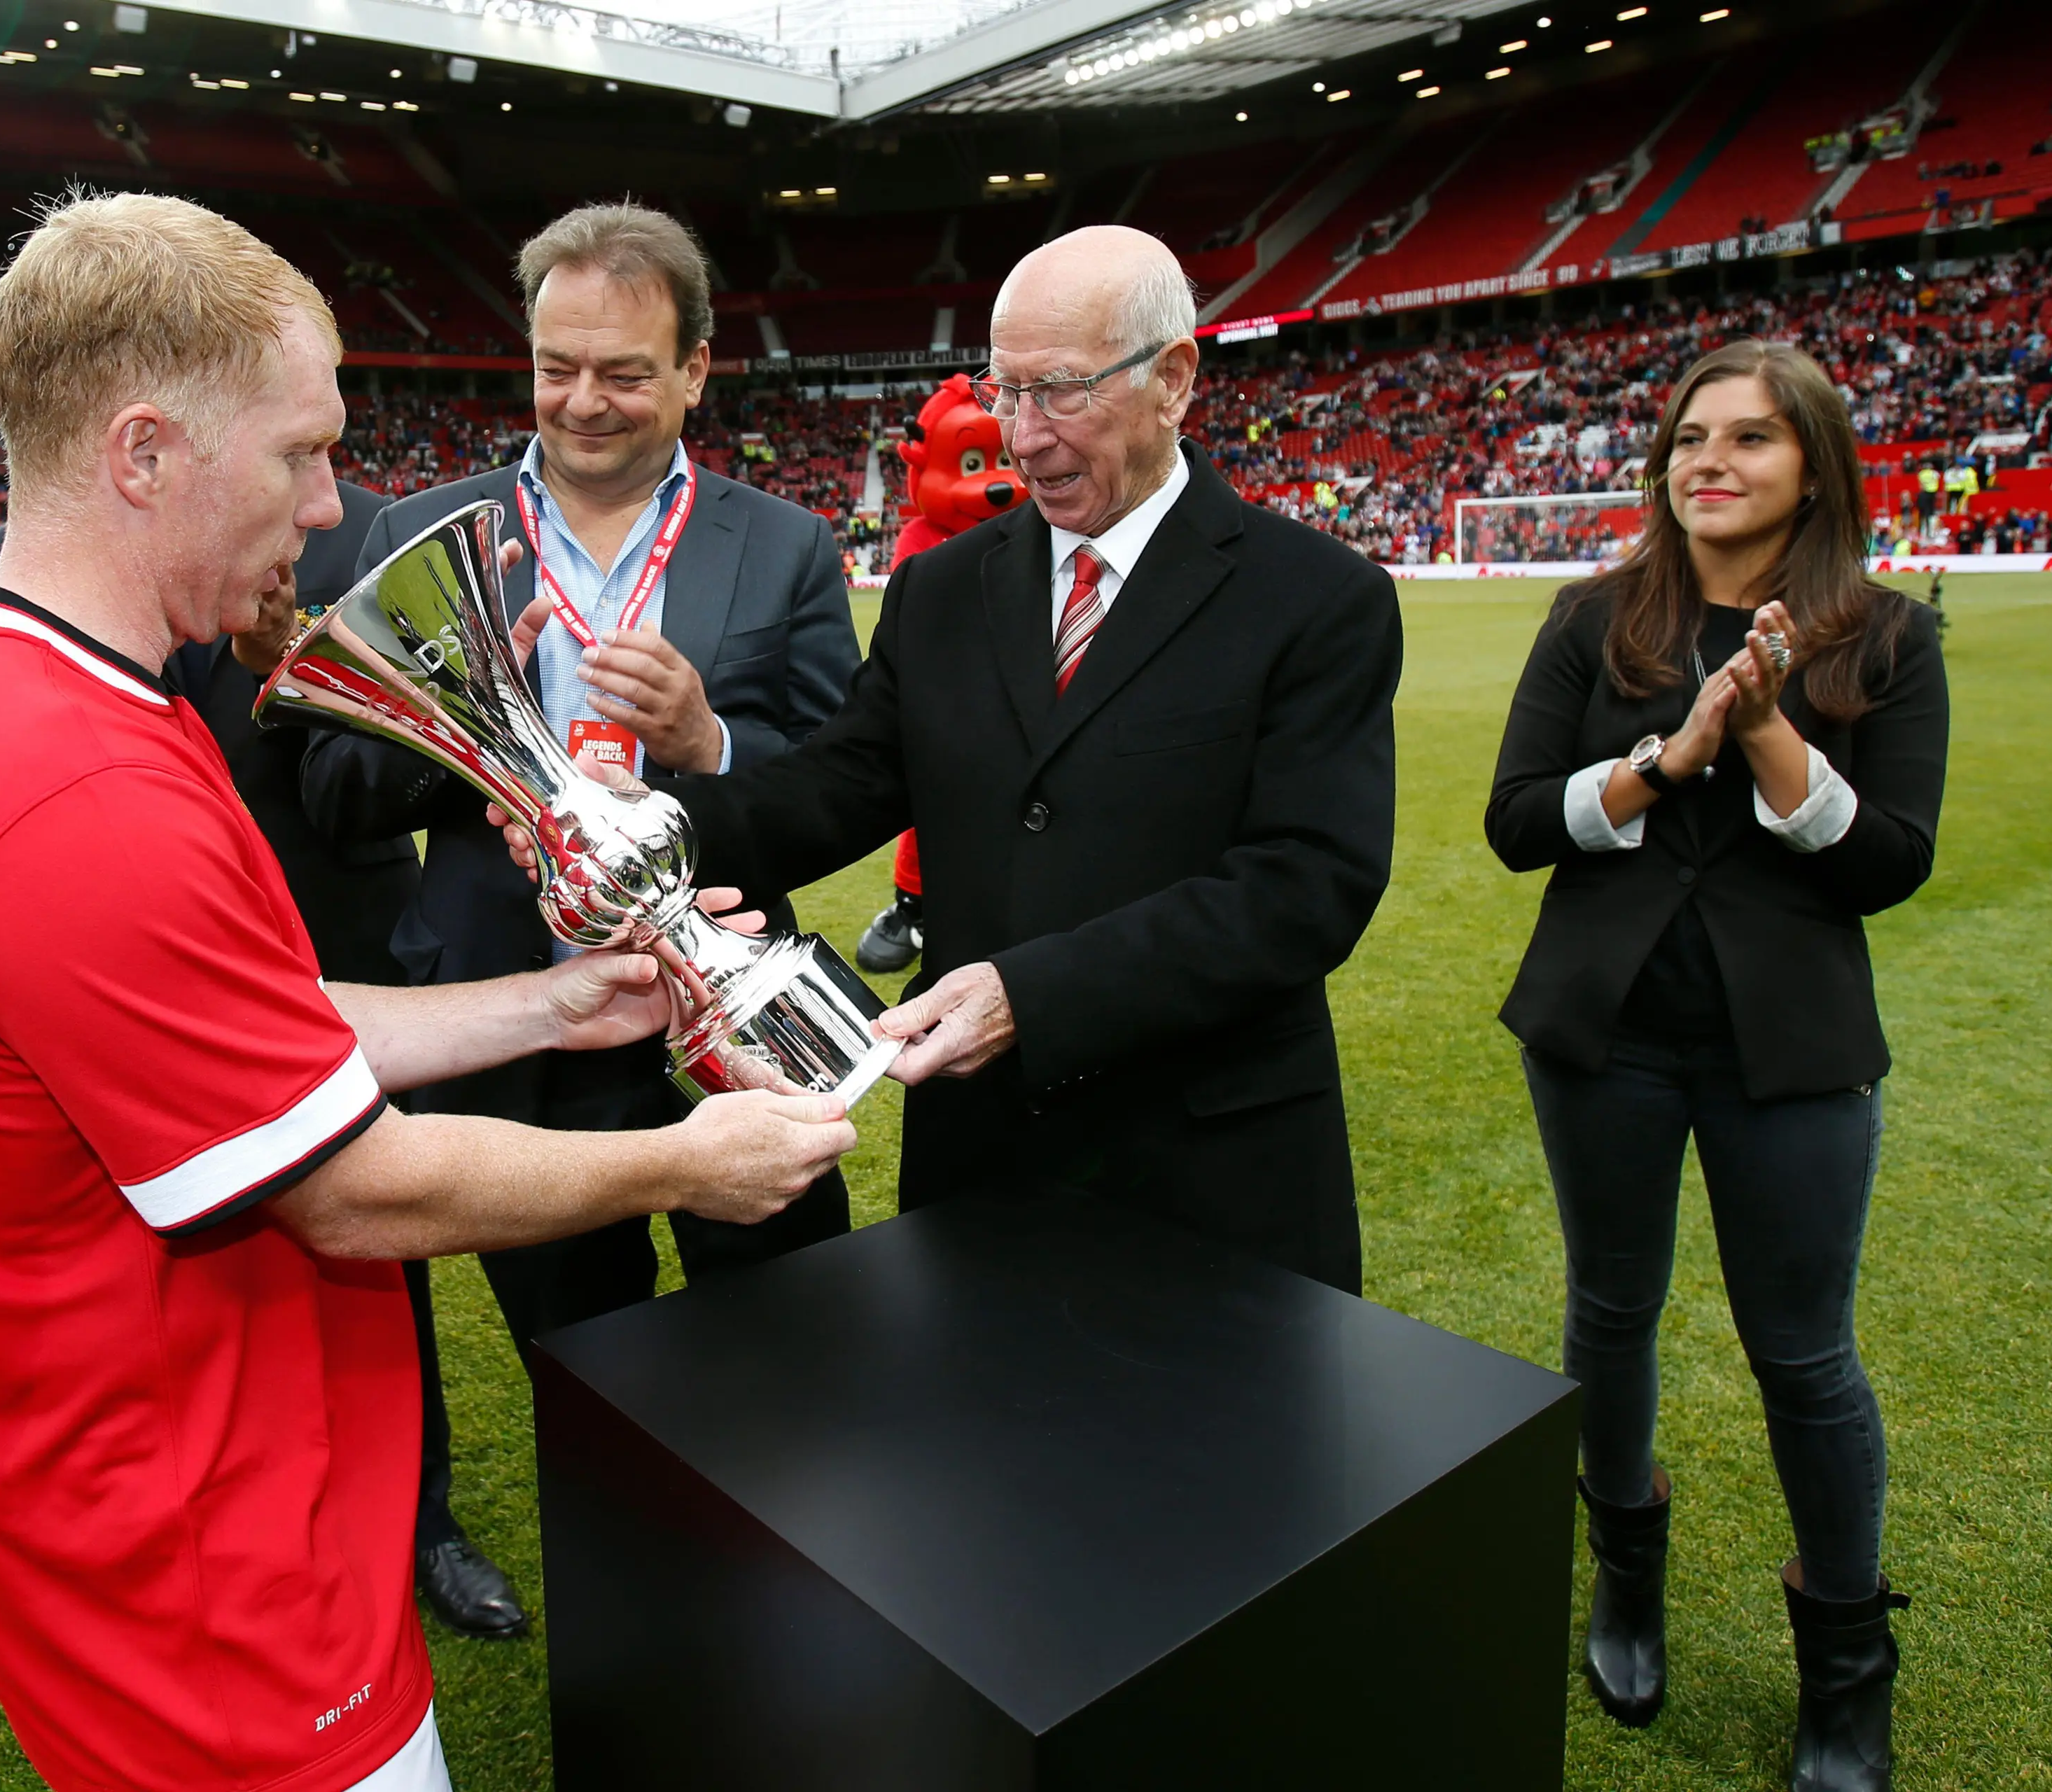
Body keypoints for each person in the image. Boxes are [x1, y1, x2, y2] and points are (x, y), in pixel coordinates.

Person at [0, 190, 854, 1792]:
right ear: (148, 452)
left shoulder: (33, 711)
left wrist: (547, 1007)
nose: (330, 509)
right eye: (304, 453)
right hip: (202, 1574)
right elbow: (345, 1191)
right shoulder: (65, 791)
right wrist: (684, 1162)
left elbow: (258, 1021)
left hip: (180, 1508)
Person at [508, 224, 1401, 1294]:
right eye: (1003, 390)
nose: (1022, 436)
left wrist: (1032, 994)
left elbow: (1306, 887)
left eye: (1060, 391)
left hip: (1212, 1164)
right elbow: (838, 785)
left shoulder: (1316, 599)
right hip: (979, 1159)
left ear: (1174, 381)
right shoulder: (943, 591)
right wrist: (642, 831)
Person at [1484, 339, 1947, 1792]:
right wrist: (1663, 757)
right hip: (1603, 1036)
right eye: (1692, 434)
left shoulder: (1884, 635)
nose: (1710, 460)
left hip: (1792, 1050)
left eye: (1750, 438)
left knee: (1805, 1354)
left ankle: (1848, 1672)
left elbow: (1888, 866)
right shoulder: (1593, 618)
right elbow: (1514, 822)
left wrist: (1765, 736)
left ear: (1814, 463)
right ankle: (1627, 1577)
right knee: (1611, 1311)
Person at [0, 488, 533, 1640]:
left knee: (380, 1258)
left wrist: (329, 671)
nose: (320, 479)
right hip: (149, 948)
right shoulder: (55, 547)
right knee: (201, 1271)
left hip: (341, 927)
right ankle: (243, 1521)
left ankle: (420, 1520)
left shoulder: (367, 528)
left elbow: (406, 774)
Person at [344, 202, 863, 1358]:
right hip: (512, 1021)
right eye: (556, 367)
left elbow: (849, 782)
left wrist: (706, 743)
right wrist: (463, 750)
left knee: (790, 1335)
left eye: (624, 373)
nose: (583, 401)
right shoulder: (428, 531)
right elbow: (340, 791)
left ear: (694, 372)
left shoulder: (785, 544)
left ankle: (782, 1535)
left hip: (724, 1010)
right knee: (579, 1357)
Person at [852, 373, 1028, 974]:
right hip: (949, 710)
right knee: (926, 809)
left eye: (1002, 459)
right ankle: (913, 907)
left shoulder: (1052, 530)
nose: (994, 481)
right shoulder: (922, 540)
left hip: (1025, 711)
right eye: (976, 461)